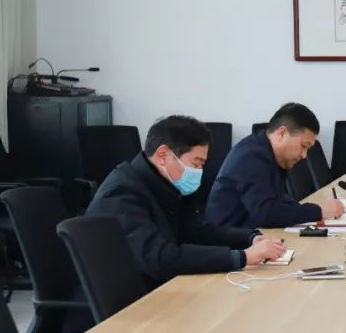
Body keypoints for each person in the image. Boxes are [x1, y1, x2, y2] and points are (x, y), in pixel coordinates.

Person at [86, 115, 286, 290]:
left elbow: (198, 232)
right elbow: (160, 258)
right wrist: (243, 257)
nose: (199, 171)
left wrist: (250, 238)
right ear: (163, 155)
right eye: (196, 163)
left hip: (163, 288)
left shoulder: (169, 184)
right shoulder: (121, 195)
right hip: (128, 303)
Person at [205, 103, 346, 228]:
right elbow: (266, 214)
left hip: (250, 236)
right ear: (281, 133)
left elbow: (279, 202)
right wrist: (319, 211)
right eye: (303, 146)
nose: (304, 155)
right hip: (229, 242)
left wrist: (311, 210)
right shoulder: (252, 157)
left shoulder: (269, 153)